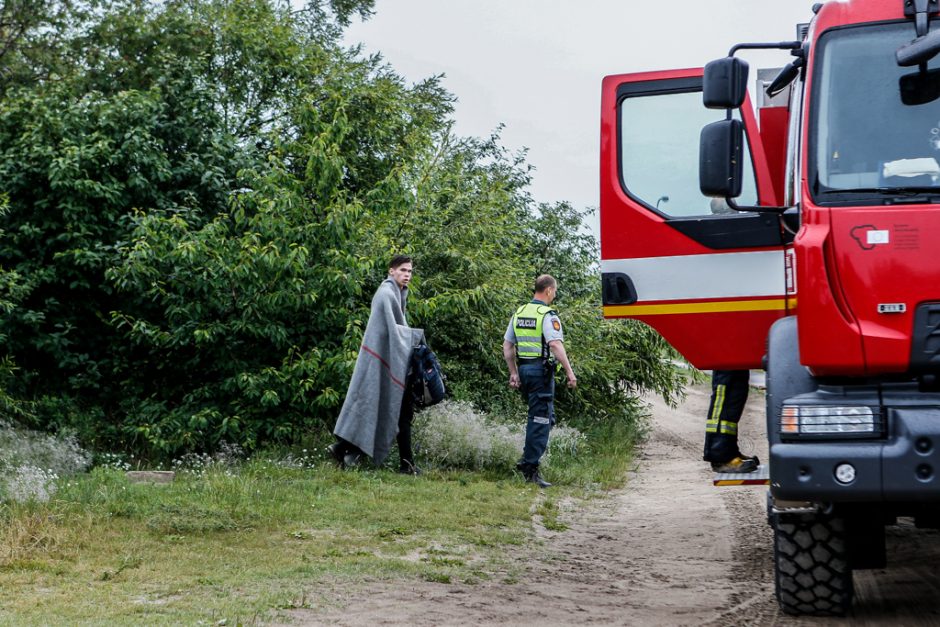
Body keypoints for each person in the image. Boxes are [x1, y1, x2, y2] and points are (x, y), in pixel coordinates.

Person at [329, 255, 425, 475]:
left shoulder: (398, 294)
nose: (407, 275)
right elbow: (393, 332)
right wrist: (416, 338)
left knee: (396, 411)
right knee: (387, 409)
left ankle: (344, 449)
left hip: (390, 361)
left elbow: (396, 331)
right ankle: (405, 464)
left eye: (410, 271)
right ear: (391, 271)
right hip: (380, 363)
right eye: (403, 270)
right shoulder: (385, 294)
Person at [502, 274, 577, 488]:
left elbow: (507, 346)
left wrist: (514, 373)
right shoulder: (546, 314)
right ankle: (530, 468)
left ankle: (526, 459)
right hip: (540, 371)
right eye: (555, 292)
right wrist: (570, 372)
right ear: (549, 291)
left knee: (543, 416)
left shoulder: (519, 312)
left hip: (525, 370)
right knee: (541, 419)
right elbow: (555, 344)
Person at [703, 369, 760, 473]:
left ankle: (730, 451)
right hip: (724, 357)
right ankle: (720, 457)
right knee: (725, 396)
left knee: (736, 393)